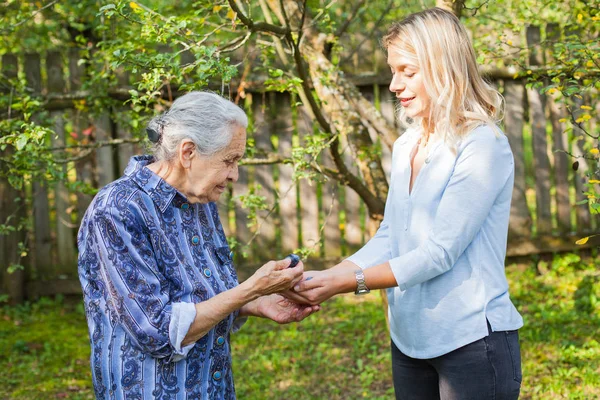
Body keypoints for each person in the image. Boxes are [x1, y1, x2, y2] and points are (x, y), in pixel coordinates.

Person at [291, 8, 523, 400]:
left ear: (444, 67)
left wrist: (347, 283)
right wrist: (326, 276)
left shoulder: (482, 145)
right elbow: (391, 236)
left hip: (471, 341)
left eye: (408, 71)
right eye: (393, 70)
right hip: (410, 341)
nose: (394, 84)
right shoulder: (407, 145)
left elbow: (439, 253)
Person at [77, 91, 320, 399]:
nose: (234, 175)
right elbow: (157, 331)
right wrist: (251, 289)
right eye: (229, 161)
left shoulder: (199, 200)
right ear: (188, 152)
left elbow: (205, 296)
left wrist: (258, 304)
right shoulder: (118, 209)